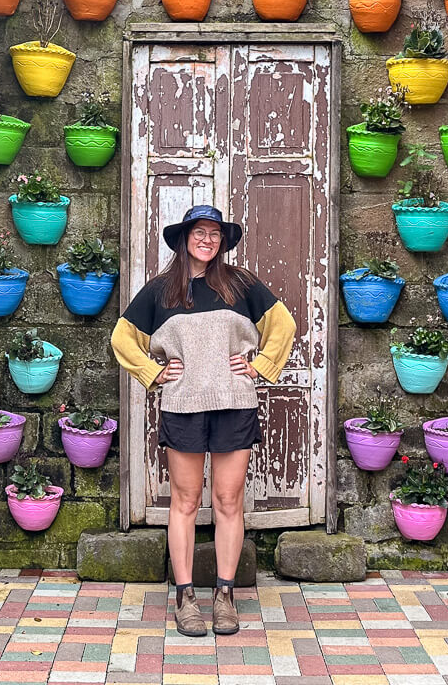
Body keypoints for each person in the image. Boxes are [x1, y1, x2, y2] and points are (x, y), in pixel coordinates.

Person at [110, 204, 296, 637]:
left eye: (215, 233)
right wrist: (153, 372)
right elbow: (122, 336)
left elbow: (283, 325)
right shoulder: (160, 291)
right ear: (183, 238)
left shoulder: (241, 285)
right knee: (186, 502)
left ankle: (225, 596)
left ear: (223, 241)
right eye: (200, 232)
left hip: (234, 403)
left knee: (229, 502)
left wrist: (259, 365)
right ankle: (186, 597)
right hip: (181, 406)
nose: (208, 239)